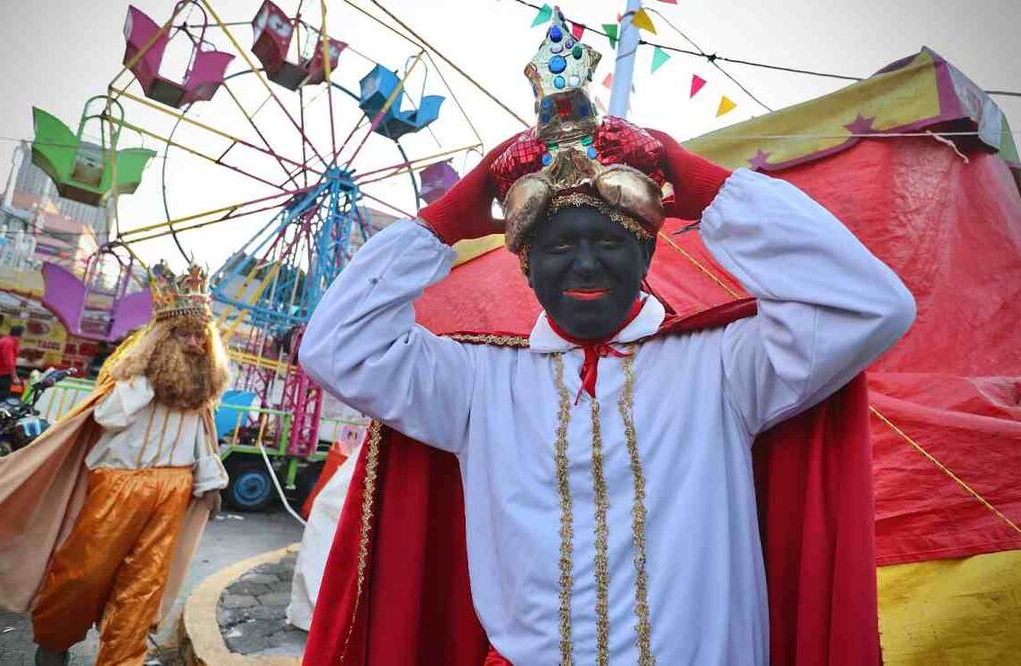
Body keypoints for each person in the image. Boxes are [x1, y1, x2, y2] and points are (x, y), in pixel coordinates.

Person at [298, 11, 915, 666]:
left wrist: (706, 186)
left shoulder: (724, 368)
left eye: (611, 242)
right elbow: (335, 347)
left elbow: (872, 306)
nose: (586, 265)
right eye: (559, 246)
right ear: (526, 265)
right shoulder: (473, 383)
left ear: (647, 250)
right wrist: (443, 221)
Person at [0, 262, 231, 666]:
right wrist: (148, 378)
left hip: (173, 489)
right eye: (184, 333)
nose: (194, 342)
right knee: (84, 572)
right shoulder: (133, 375)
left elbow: (203, 438)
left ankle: (122, 658)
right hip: (119, 484)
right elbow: (107, 418)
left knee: (144, 584)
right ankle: (55, 641)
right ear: (163, 337)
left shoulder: (200, 387)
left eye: (201, 334)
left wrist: (210, 481)